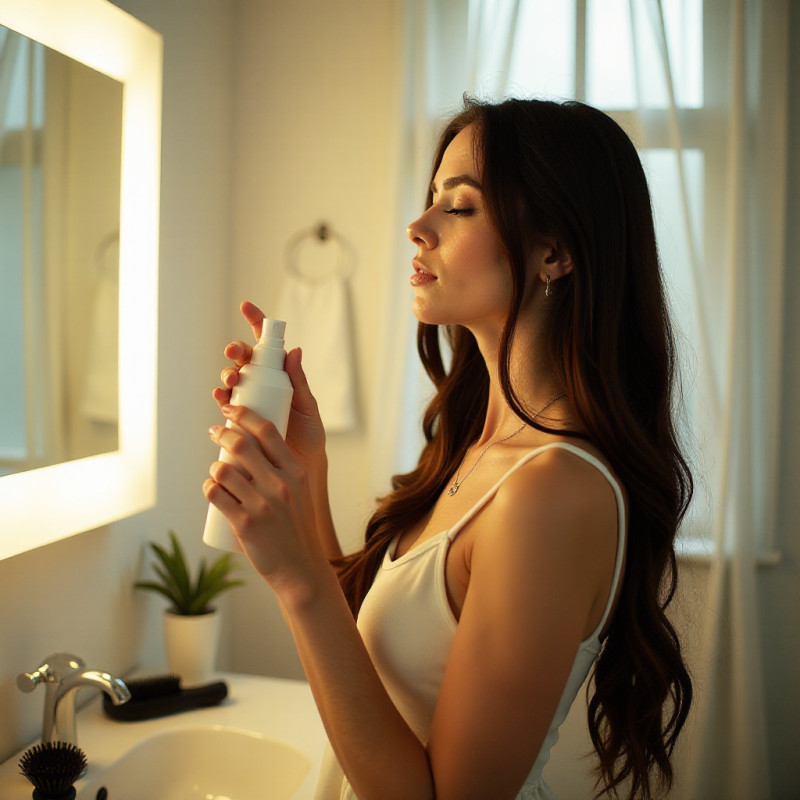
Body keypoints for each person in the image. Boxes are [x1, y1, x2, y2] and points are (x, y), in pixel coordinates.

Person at [204, 96, 694, 800]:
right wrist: (306, 473)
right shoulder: (483, 449)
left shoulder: (553, 491)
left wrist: (297, 578)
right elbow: (373, 657)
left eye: (458, 208)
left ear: (552, 253)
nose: (417, 227)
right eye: (432, 200)